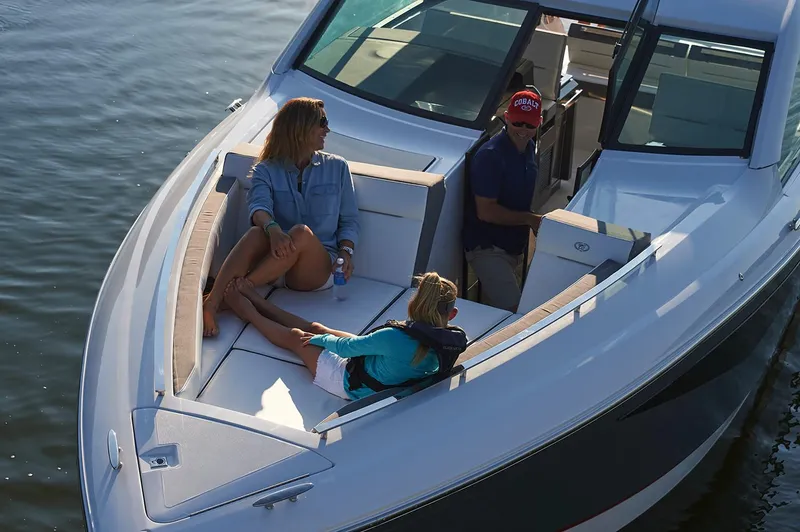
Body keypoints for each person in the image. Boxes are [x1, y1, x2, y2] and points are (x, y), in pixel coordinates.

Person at [202, 97, 360, 336]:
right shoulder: (266, 169)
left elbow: (349, 220)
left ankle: (240, 290)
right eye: (322, 122)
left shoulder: (338, 167)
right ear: (300, 128)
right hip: (275, 262)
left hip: (313, 270)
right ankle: (213, 303)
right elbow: (259, 207)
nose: (327, 129)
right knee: (257, 233)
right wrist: (273, 230)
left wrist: (345, 252)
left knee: (301, 233)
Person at [223, 272, 467, 400]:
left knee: (298, 337)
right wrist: (321, 335)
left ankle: (247, 310)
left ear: (414, 303)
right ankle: (258, 300)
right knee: (318, 327)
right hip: (376, 369)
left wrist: (318, 341)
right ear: (452, 314)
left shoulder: (394, 337)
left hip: (350, 383)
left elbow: (346, 349)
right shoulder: (447, 344)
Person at [463, 89, 544, 312]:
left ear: (539, 122)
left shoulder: (530, 148)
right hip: (487, 249)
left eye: (530, 125)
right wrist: (530, 219)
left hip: (513, 248)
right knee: (516, 312)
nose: (523, 130)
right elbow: (486, 211)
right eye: (518, 123)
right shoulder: (491, 156)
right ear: (506, 117)